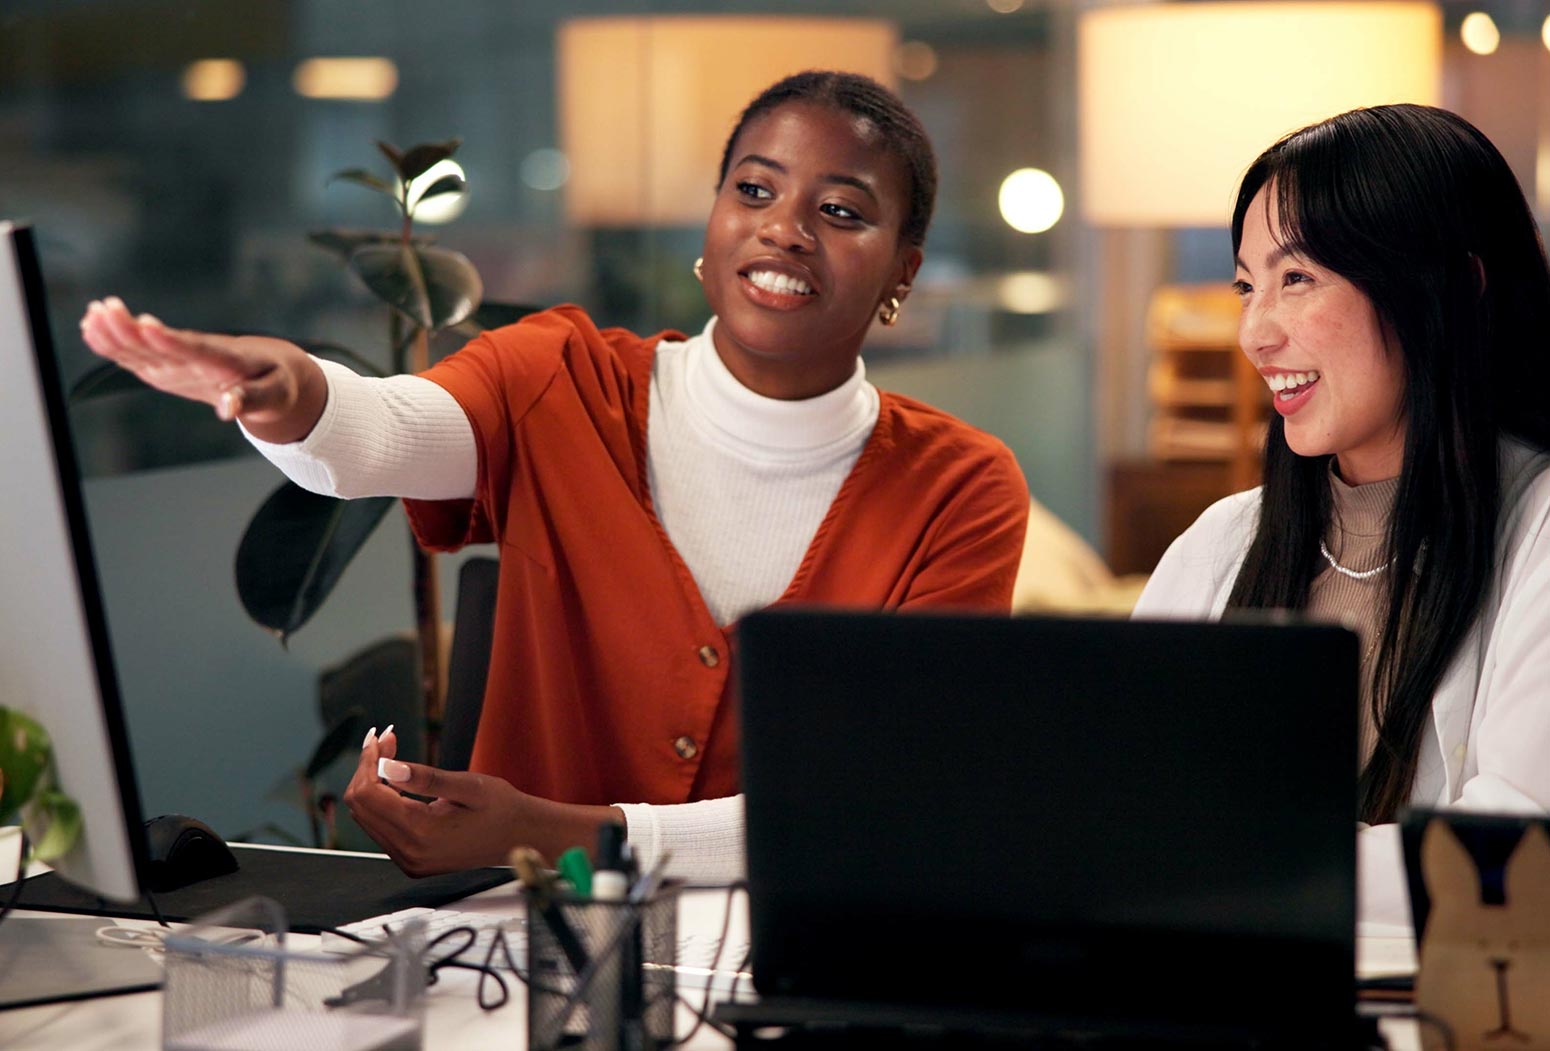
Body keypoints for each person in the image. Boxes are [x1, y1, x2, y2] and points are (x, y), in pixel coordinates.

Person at [78, 71, 1031, 881]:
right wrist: (283, 388)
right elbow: (376, 435)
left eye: (841, 211)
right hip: (523, 953)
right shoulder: (558, 377)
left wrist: (548, 832)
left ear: (903, 273)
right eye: (754, 190)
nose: (784, 229)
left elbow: (886, 799)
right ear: (712, 224)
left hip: (788, 964)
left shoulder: (961, 488)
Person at [1132, 104, 1550, 931]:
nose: (1255, 334)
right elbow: (1117, 796)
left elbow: (1512, 854)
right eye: (1247, 286)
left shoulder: (1537, 529)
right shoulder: (1222, 542)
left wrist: (1230, 866)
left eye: (1297, 278)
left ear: (1451, 286)